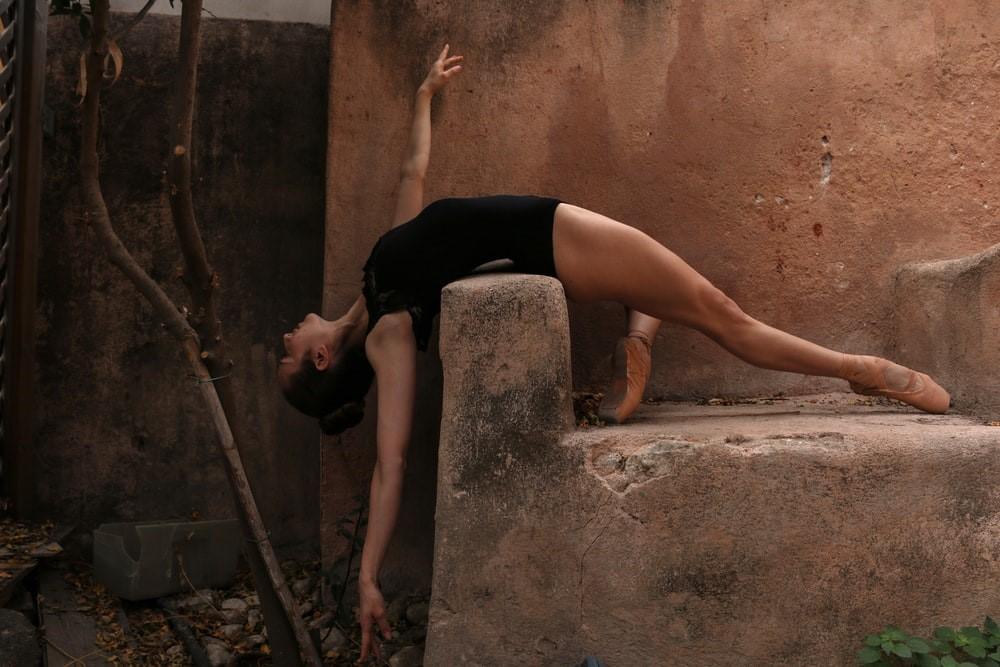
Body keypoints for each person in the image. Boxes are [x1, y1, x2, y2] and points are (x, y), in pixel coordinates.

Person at [277, 45, 949, 662]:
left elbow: (411, 172)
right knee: (724, 317)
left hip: (552, 232)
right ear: (320, 361)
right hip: (555, 239)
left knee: (671, 296)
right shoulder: (389, 332)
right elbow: (390, 464)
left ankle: (641, 334)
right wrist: (367, 576)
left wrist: (424, 96)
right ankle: (859, 370)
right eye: (288, 355)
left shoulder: (377, 279)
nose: (285, 339)